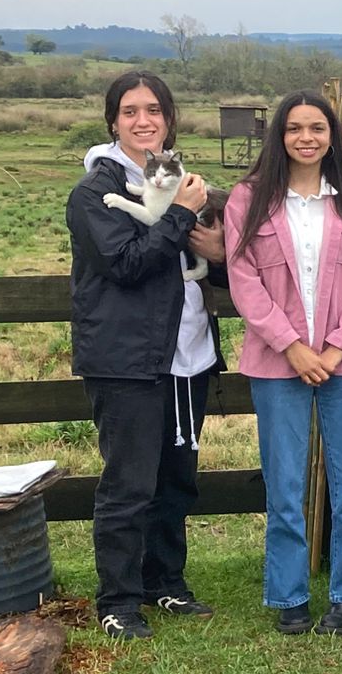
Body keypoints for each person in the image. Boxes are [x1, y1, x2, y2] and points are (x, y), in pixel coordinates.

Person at [67, 71, 229, 640]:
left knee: (176, 479)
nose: (144, 120)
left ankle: (166, 582)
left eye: (154, 110)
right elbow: (128, 264)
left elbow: (216, 266)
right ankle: (117, 599)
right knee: (129, 484)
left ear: (169, 119)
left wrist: (215, 244)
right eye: (131, 111)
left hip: (187, 354)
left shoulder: (179, 180)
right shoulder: (94, 192)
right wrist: (182, 216)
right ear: (113, 121)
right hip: (127, 359)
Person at [226, 91, 342, 636]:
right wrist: (290, 344)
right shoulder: (248, 201)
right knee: (286, 483)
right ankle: (289, 595)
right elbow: (244, 282)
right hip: (278, 364)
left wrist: (338, 346)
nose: (306, 138)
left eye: (317, 128)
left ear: (332, 136)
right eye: (295, 129)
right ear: (280, 136)